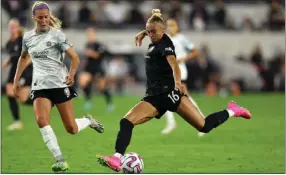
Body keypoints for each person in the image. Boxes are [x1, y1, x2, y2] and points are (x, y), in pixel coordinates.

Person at [96, 9, 251, 172]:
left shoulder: (165, 45)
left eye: (153, 32)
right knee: (126, 122)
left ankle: (233, 110)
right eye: (148, 31)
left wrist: (178, 82)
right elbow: (154, 28)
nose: (151, 34)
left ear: (163, 31)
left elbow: (174, 64)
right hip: (153, 97)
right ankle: (116, 158)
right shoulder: (155, 38)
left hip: (170, 94)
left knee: (203, 126)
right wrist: (144, 33)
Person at [13, 1, 104, 172]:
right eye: (40, 18)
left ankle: (88, 121)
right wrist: (17, 79)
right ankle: (60, 160)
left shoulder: (57, 36)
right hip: (40, 86)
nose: (44, 20)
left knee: (71, 128)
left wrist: (71, 74)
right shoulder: (28, 37)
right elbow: (23, 58)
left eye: (46, 17)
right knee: (41, 120)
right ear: (34, 18)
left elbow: (75, 58)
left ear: (49, 17)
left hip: (59, 84)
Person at [135, 18, 202, 134]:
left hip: (179, 70)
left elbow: (195, 52)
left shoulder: (182, 39)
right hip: (166, 71)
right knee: (166, 96)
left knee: (183, 96)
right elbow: (151, 30)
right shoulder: (164, 37)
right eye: (169, 25)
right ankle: (171, 123)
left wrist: (182, 59)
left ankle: (200, 118)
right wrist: (143, 32)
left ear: (177, 27)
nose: (170, 27)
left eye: (173, 25)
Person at [2, 18, 33, 131]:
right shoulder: (9, 43)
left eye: (14, 26)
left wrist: (24, 65)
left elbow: (31, 56)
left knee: (23, 99)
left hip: (25, 71)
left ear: (18, 27)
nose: (12, 28)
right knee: (9, 91)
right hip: (13, 70)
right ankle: (17, 122)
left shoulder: (23, 40)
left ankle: (45, 102)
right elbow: (13, 55)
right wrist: (7, 62)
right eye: (11, 26)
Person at [77, 27, 114, 112]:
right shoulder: (87, 45)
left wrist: (91, 53)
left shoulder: (99, 45)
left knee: (102, 87)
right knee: (82, 81)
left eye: (91, 34)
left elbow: (100, 56)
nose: (89, 36)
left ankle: (109, 103)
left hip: (98, 68)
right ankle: (89, 100)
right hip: (89, 68)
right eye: (88, 34)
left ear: (94, 34)